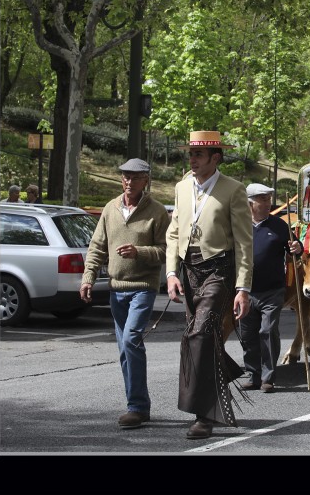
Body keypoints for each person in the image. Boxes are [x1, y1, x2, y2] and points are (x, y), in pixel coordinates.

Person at [166, 130, 254, 440]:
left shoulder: (234, 189)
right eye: (189, 154)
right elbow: (173, 233)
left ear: (215, 158)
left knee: (200, 334)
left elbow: (244, 242)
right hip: (189, 271)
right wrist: (171, 274)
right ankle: (226, 371)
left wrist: (243, 288)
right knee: (196, 338)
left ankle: (202, 416)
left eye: (198, 155)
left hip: (219, 270)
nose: (191, 159)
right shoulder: (181, 187)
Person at [79, 158, 170, 429]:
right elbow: (97, 247)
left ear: (146, 181)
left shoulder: (157, 211)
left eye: (134, 177)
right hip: (116, 288)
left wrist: (139, 252)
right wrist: (88, 278)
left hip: (143, 287)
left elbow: (166, 250)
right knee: (123, 350)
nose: (128, 182)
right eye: (125, 177)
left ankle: (138, 407)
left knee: (131, 340)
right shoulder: (110, 208)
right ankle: (137, 405)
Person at [240, 183, 303, 393]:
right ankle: (253, 375)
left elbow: (294, 248)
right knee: (248, 335)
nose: (268, 204)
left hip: (272, 290)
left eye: (268, 199)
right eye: (263, 200)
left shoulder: (279, 225)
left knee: (267, 331)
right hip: (245, 291)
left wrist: (297, 247)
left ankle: (268, 377)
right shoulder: (239, 225)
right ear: (250, 204)